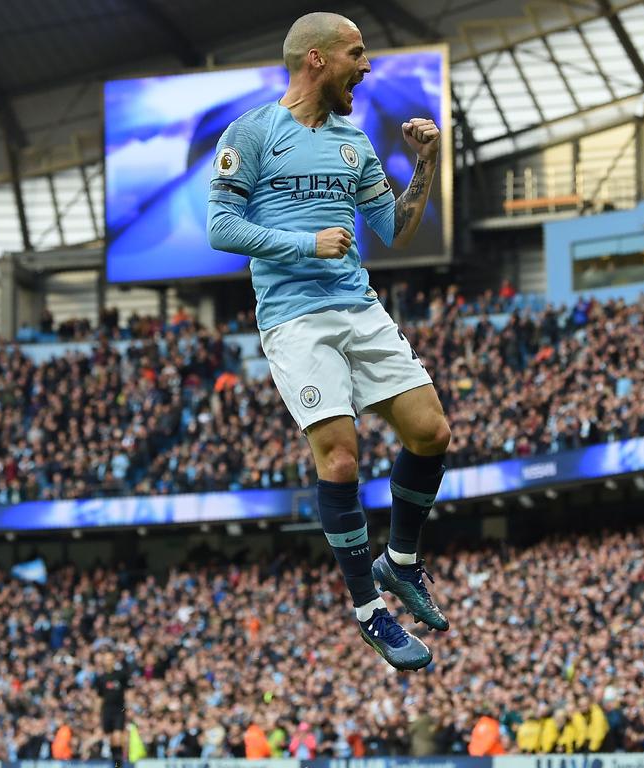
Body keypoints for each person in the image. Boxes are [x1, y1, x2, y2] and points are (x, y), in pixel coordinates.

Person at [207, 11, 451, 671]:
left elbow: (396, 228)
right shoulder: (253, 132)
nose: (366, 66)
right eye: (357, 53)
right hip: (294, 317)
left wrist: (424, 165)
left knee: (432, 432)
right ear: (317, 59)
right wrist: (303, 243)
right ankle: (370, 609)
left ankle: (400, 560)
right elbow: (221, 228)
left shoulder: (354, 141)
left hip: (358, 306)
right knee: (339, 459)